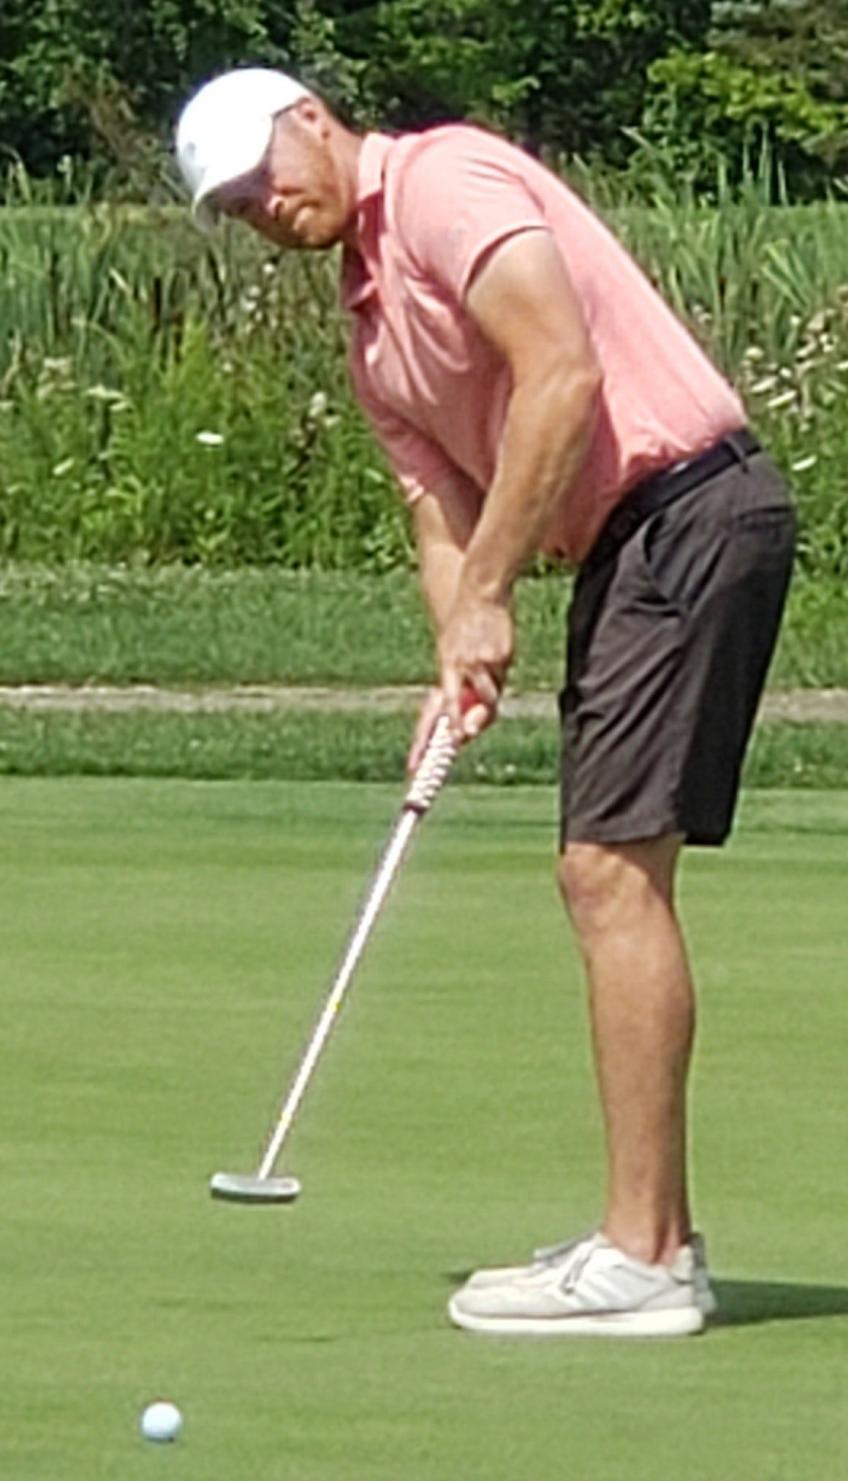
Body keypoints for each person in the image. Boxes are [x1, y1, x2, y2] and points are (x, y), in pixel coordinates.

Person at [175, 67, 796, 1337]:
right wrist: (457, 649)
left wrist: (497, 592)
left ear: (312, 118)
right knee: (606, 870)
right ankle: (652, 1242)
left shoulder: (446, 180)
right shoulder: (371, 335)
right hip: (635, 544)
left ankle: (645, 1255)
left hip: (686, 509)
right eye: (237, 207)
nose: (263, 209)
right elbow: (441, 516)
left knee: (609, 873)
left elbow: (560, 377)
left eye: (262, 177)